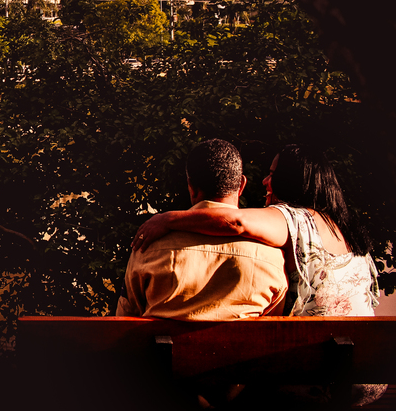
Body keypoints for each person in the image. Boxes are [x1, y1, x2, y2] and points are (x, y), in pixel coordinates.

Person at [134, 143, 384, 404]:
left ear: (290, 181)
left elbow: (236, 222)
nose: (265, 180)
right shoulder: (349, 232)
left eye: (272, 174)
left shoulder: (293, 218)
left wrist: (167, 220)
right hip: (365, 370)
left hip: (316, 372)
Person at [117, 139, 287, 319]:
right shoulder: (273, 256)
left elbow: (125, 317)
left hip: (165, 347)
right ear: (241, 186)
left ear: (191, 187)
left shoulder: (148, 246)